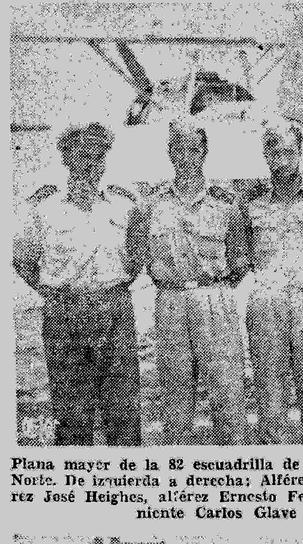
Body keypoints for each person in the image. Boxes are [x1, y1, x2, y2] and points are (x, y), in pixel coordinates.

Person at [13, 122, 145, 445]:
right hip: (64, 314)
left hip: (115, 313)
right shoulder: (43, 208)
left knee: (123, 414)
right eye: (82, 155)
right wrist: (53, 294)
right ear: (66, 158)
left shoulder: (124, 205)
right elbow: (22, 259)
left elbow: (138, 255)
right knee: (73, 419)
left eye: (97, 157)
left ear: (105, 161)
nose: (90, 164)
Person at [229, 122, 303, 444]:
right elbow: (238, 254)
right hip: (267, 301)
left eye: (290, 152)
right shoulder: (249, 206)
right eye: (276, 152)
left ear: (301, 155)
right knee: (269, 389)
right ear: (265, 155)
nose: (283, 159)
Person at [146, 120, 248, 445]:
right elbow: (142, 256)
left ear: (205, 152)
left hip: (214, 298)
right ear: (168, 153)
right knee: (175, 393)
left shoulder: (226, 203)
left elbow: (240, 259)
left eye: (194, 149)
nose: (186, 157)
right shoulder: (153, 204)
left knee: (227, 389)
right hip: (172, 301)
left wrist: (214, 285)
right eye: (179, 149)